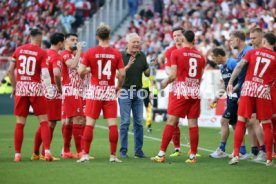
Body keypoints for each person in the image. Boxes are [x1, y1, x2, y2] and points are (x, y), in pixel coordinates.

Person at [151, 30, 205, 163]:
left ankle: (161, 154)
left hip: (180, 90)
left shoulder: (176, 53)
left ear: (184, 38)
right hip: (194, 90)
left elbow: (173, 75)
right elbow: (201, 75)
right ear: (193, 40)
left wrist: (165, 81)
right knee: (193, 123)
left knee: (171, 121)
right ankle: (192, 156)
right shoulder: (201, 56)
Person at [77, 23, 126, 163]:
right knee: (112, 124)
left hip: (95, 90)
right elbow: (122, 74)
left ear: (97, 36)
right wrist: (118, 87)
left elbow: (80, 71)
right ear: (109, 36)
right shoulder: (116, 53)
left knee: (90, 124)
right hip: (109, 90)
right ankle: (113, 156)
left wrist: (88, 72)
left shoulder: (90, 52)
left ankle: (85, 154)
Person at [227, 32, 276, 166]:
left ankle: (236, 155)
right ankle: (268, 159)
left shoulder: (253, 52)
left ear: (264, 42)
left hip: (248, 87)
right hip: (263, 90)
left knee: (241, 120)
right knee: (266, 124)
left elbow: (239, 66)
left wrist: (231, 82)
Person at [8, 29, 53, 162]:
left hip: (22, 87)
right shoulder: (42, 52)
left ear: (30, 37)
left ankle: (17, 154)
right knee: (44, 121)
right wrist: (49, 89)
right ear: (40, 39)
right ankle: (47, 152)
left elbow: (10, 70)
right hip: (35, 88)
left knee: (20, 123)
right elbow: (44, 74)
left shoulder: (18, 50)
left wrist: (14, 87)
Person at [228, 30, 263, 159]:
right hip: (246, 89)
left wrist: (231, 83)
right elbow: (243, 78)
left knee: (252, 120)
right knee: (249, 121)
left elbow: (249, 73)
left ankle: (263, 151)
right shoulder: (244, 53)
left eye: (231, 40)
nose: (230, 43)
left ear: (237, 40)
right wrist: (237, 89)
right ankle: (254, 150)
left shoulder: (248, 51)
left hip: (252, 90)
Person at [31, 32, 64, 161]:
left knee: (45, 122)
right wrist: (59, 88)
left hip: (43, 90)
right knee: (50, 123)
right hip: (52, 91)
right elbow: (56, 73)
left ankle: (36, 152)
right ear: (60, 43)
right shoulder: (56, 56)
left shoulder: (44, 53)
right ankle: (45, 152)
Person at [209, 48, 246, 158]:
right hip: (230, 98)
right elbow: (225, 85)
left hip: (236, 98)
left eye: (214, 58)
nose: (214, 60)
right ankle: (242, 151)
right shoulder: (223, 68)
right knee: (234, 125)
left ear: (220, 56)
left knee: (223, 121)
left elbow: (242, 78)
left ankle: (222, 149)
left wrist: (242, 95)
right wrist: (216, 97)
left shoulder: (231, 63)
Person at [119, 33, 150, 158]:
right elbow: (117, 74)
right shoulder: (120, 55)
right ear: (128, 43)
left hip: (138, 91)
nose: (137, 44)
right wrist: (127, 66)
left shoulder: (142, 55)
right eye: (134, 42)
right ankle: (123, 151)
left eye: (138, 42)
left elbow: (147, 73)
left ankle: (138, 151)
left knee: (138, 122)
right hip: (125, 91)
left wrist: (149, 68)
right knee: (125, 122)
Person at [60, 33, 85, 159]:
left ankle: (66, 150)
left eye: (76, 39)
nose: (75, 41)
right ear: (65, 41)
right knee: (78, 119)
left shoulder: (72, 55)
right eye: (72, 39)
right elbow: (73, 65)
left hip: (76, 90)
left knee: (69, 120)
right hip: (71, 91)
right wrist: (79, 51)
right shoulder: (65, 54)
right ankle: (80, 152)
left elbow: (80, 71)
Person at [164, 27, 185, 157]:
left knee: (193, 119)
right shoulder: (170, 51)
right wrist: (173, 75)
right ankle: (177, 148)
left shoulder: (189, 49)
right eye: (174, 35)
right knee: (174, 118)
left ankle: (193, 151)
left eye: (179, 35)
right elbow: (167, 68)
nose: (177, 37)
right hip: (175, 87)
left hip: (188, 88)